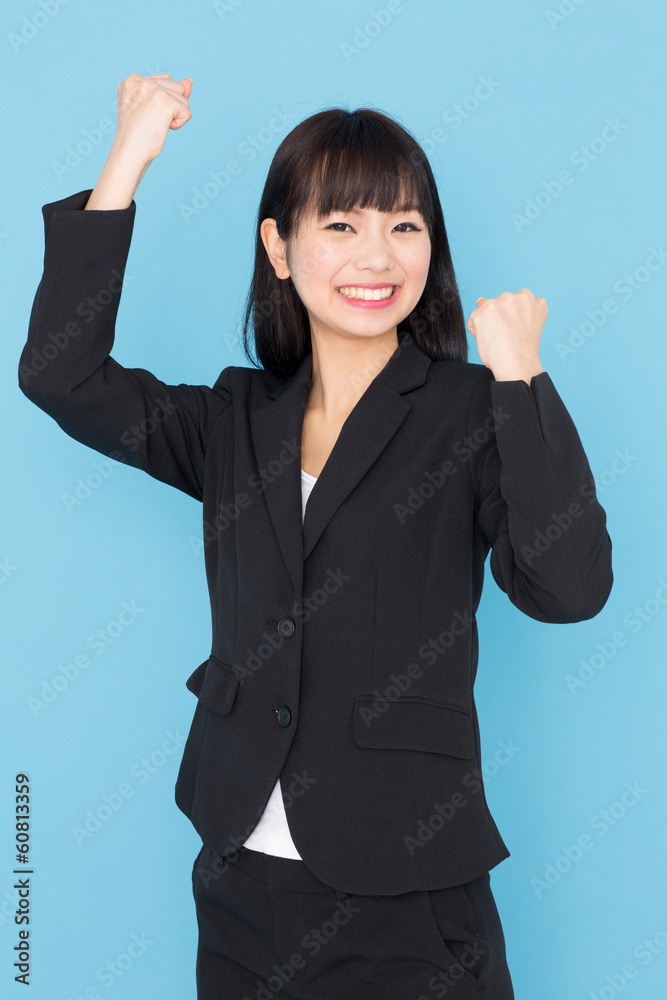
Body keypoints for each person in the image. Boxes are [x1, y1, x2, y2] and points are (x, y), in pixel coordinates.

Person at [18, 73, 613, 999]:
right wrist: (128, 156)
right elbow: (63, 376)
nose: (375, 255)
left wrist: (523, 379)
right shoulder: (234, 418)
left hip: (408, 881)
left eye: (403, 225)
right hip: (240, 877)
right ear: (279, 248)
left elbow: (567, 589)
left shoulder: (469, 407)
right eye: (340, 225)